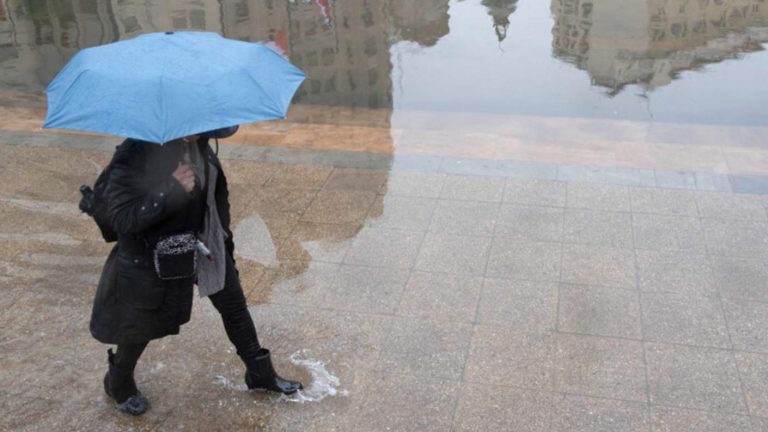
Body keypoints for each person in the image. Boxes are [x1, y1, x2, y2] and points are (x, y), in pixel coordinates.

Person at [89, 127, 302, 416]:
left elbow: (212, 194)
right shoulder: (134, 153)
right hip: (153, 253)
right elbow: (123, 219)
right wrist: (169, 190)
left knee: (234, 305)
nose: (196, 132)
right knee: (143, 323)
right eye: (189, 128)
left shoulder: (200, 142)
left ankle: (259, 373)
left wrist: (222, 238)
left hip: (204, 241)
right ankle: (119, 381)